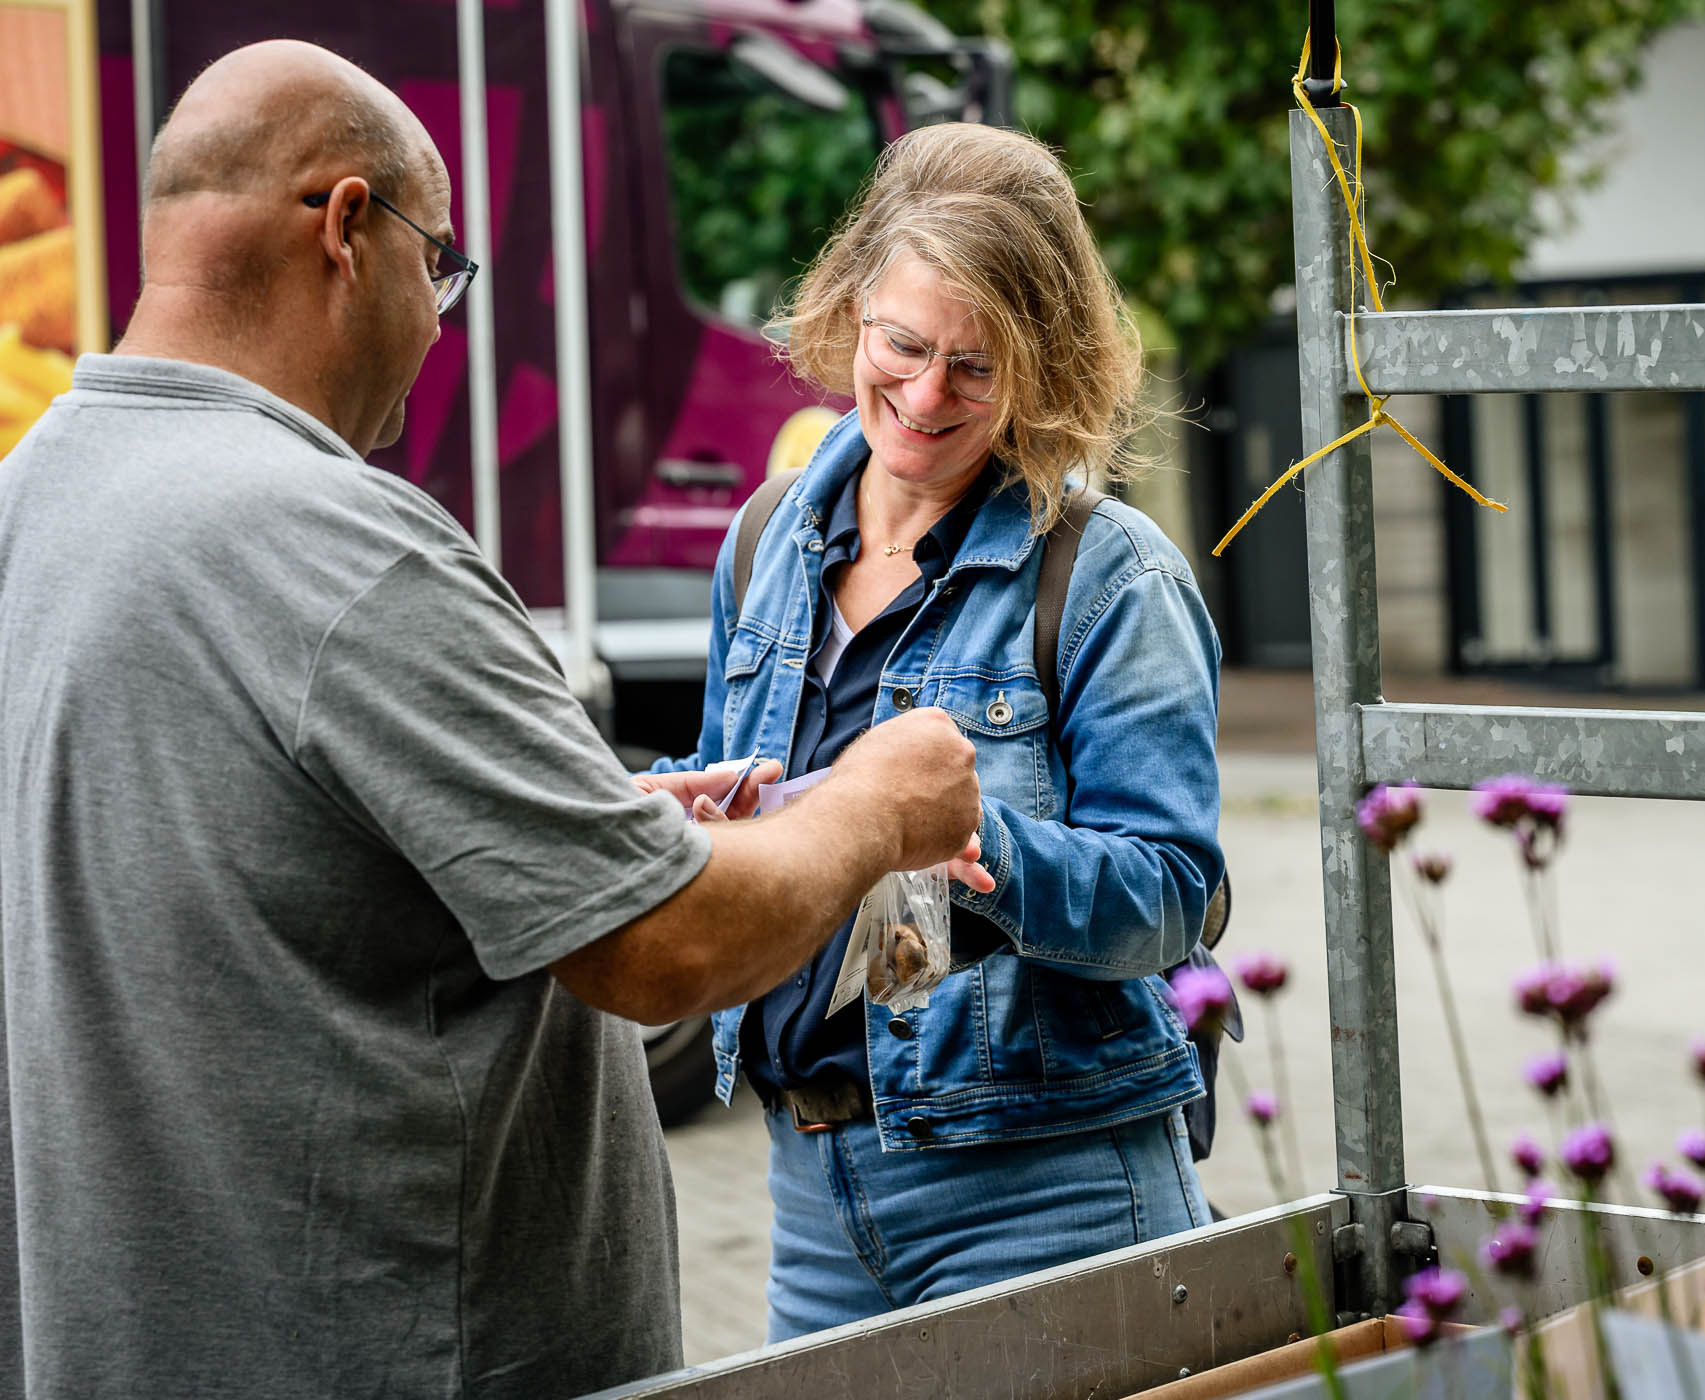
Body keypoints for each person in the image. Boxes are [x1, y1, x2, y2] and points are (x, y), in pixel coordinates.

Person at [0, 41, 985, 1400]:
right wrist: (879, 805)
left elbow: (244, 868)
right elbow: (665, 948)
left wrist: (581, 833)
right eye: (440, 263)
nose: (443, 313)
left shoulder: (34, 498)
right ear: (349, 229)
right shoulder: (342, 548)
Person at [652, 122, 1226, 1339]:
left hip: (1048, 1190)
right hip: (812, 1189)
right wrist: (667, 814)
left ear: (1044, 363)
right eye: (903, 345)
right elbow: (739, 810)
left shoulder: (1109, 574)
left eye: (975, 368)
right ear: (852, 306)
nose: (922, 396)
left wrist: (985, 844)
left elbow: (1177, 896)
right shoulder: (763, 541)